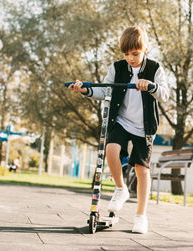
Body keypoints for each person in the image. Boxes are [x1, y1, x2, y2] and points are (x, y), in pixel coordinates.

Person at [68, 26, 169, 234]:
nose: (131, 58)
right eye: (126, 54)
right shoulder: (117, 68)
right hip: (121, 121)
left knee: (142, 170)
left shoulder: (155, 68)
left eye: (135, 53)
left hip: (144, 126)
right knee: (111, 149)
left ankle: (141, 217)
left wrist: (151, 86)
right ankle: (121, 189)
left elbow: (165, 94)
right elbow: (106, 89)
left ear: (145, 49)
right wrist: (84, 89)